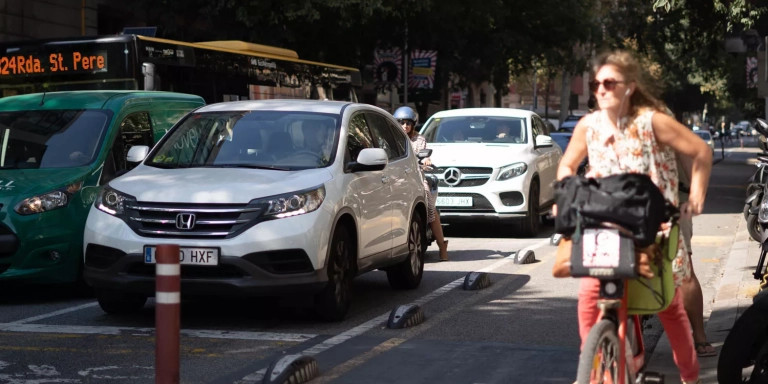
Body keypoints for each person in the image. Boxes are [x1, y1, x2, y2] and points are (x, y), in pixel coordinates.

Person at [557, 50, 712, 384]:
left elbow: (700, 151)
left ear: (629, 87)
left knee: (667, 306)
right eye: (596, 83)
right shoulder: (588, 125)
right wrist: (564, 192)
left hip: (653, 230)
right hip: (605, 228)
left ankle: (689, 375)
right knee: (589, 297)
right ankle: (597, 368)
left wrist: (696, 198)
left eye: (609, 83)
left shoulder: (652, 121)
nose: (600, 89)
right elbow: (568, 164)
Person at [393, 106, 449, 261]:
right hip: (395, 178)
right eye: (401, 123)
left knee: (430, 207)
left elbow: (423, 155)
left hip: (416, 177)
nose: (405, 126)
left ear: (413, 124)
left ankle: (441, 245)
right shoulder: (390, 138)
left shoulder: (419, 139)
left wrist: (426, 160)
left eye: (408, 123)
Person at [677, 155, 717, 358]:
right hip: (623, 201)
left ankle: (699, 335)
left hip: (671, 199)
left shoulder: (661, 123)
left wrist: (695, 192)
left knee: (683, 268)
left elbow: (698, 151)